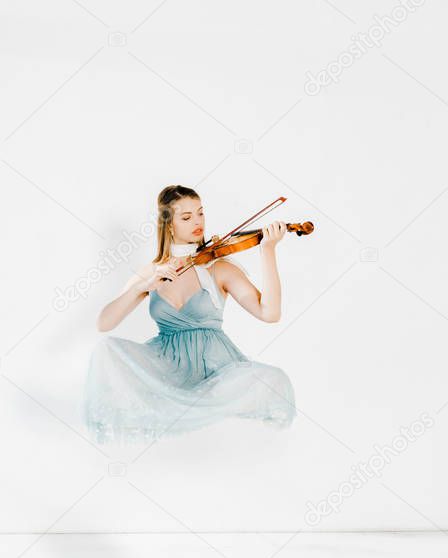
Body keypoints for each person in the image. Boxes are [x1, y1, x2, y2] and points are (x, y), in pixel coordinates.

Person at [82, 184, 297, 445]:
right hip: (166, 366)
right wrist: (142, 286)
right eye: (186, 217)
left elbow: (270, 313)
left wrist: (268, 251)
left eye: (200, 213)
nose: (198, 222)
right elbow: (104, 323)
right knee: (107, 350)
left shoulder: (219, 267)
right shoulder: (153, 271)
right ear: (168, 224)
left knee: (273, 380)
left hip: (216, 369)